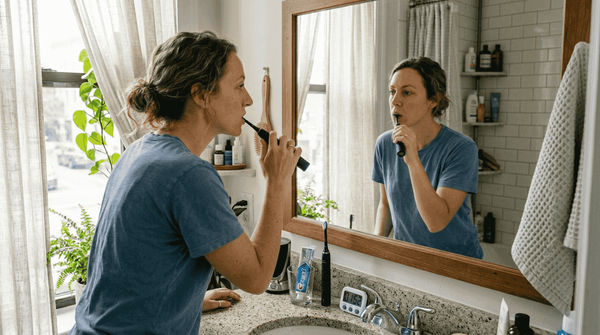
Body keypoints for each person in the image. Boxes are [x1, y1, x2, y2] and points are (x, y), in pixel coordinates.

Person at [69, 31, 301, 334]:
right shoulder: (190, 174)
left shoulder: (140, 151)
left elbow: (134, 265)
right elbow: (257, 279)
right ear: (201, 94)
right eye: (240, 85)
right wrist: (277, 182)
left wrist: (181, 299)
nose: (249, 99)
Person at [372, 57, 482, 259]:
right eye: (392, 91)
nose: (395, 100)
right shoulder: (384, 144)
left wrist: (412, 158)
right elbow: (386, 205)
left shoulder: (461, 148)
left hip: (458, 264)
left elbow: (436, 222)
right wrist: (374, 250)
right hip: (409, 260)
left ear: (433, 100)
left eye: (407, 92)